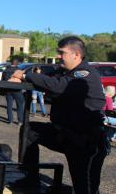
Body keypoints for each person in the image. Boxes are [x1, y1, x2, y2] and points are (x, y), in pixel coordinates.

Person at [10, 36, 108, 194]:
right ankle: (30, 178)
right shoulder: (65, 72)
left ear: (76, 55)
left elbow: (58, 86)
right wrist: (19, 76)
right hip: (66, 135)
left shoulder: (85, 74)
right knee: (29, 130)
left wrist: (25, 76)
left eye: (62, 53)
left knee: (85, 188)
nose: (58, 56)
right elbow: (46, 79)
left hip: (86, 141)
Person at [1, 56, 25, 125]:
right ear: (17, 63)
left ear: (11, 62)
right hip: (17, 90)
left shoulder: (5, 70)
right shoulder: (19, 71)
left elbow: (2, 81)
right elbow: (23, 81)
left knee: (9, 105)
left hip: (8, 90)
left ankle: (10, 120)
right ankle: (20, 121)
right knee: (20, 105)